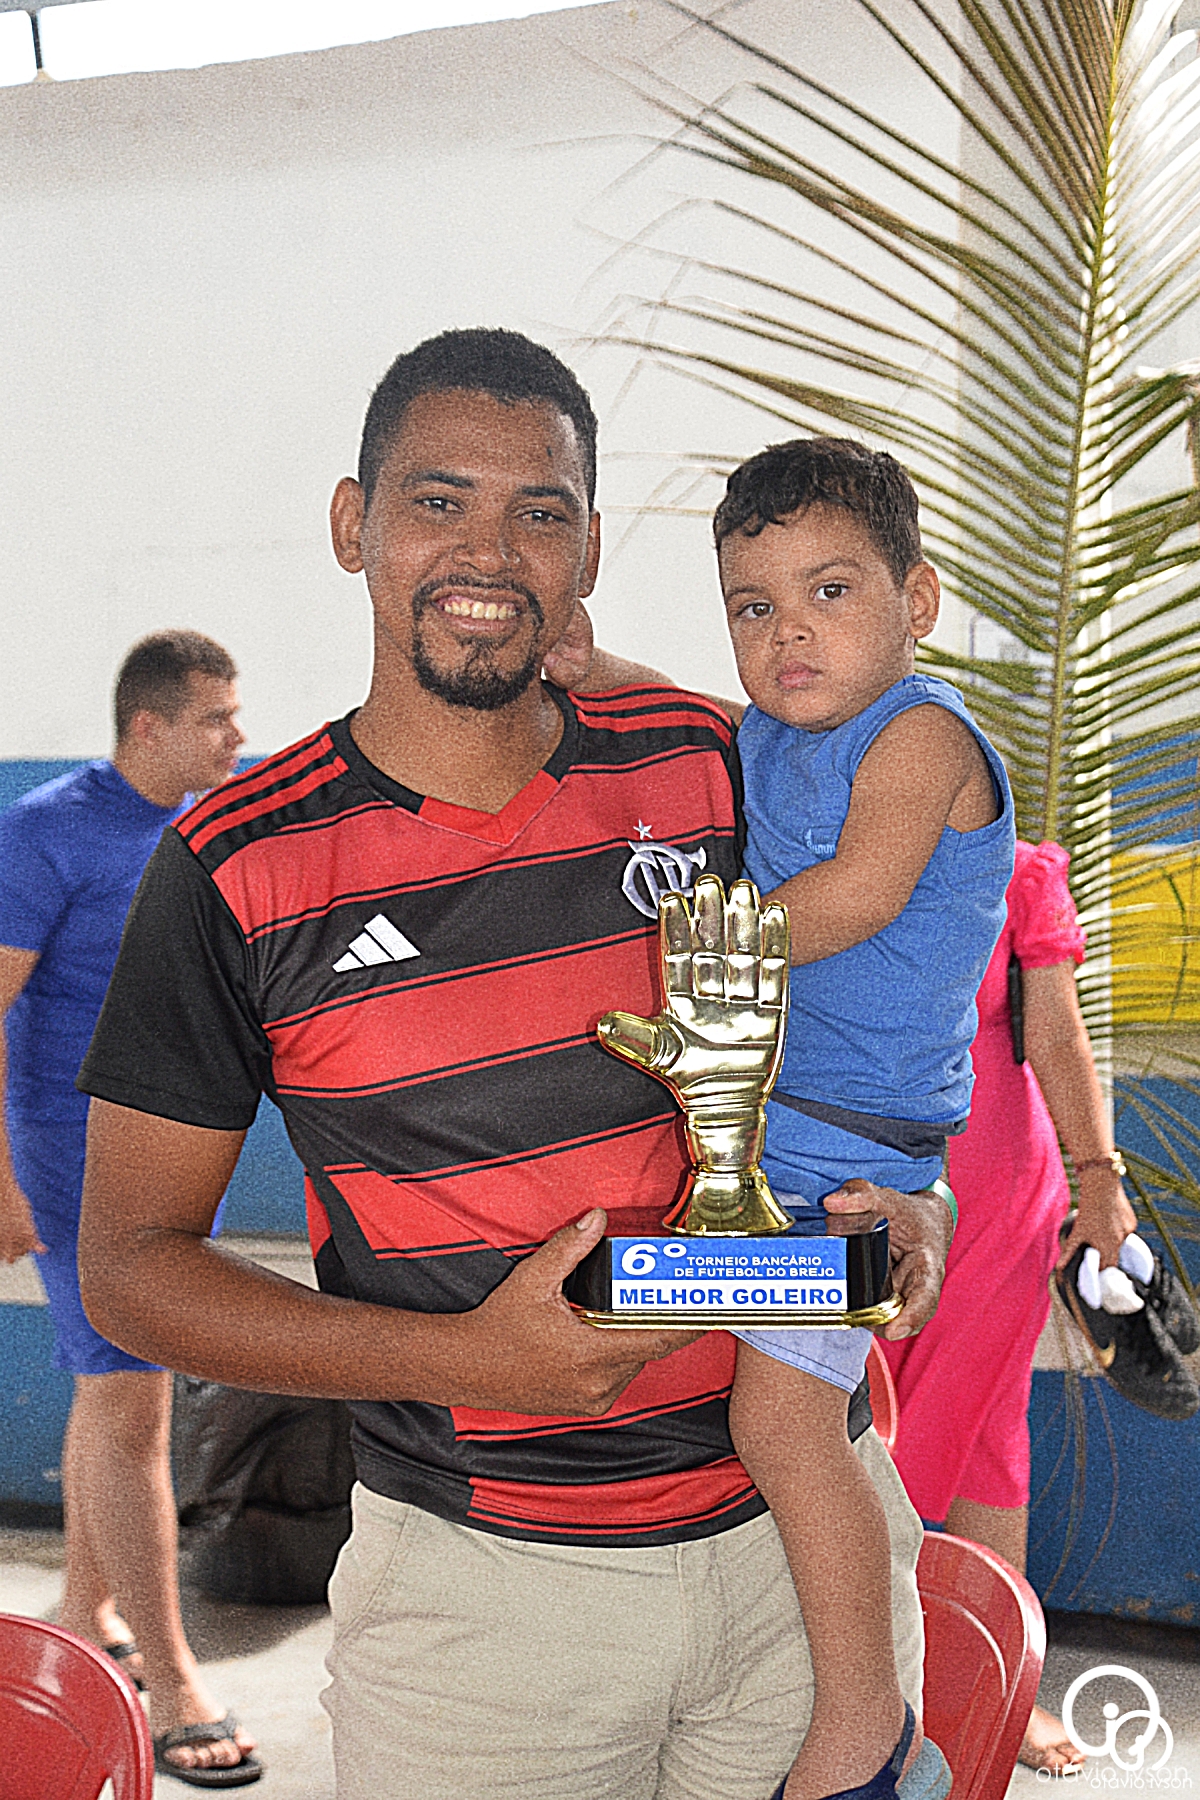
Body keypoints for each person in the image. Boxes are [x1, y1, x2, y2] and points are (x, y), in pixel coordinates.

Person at [76, 328, 956, 1800]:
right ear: (354, 524)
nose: (488, 552)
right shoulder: (234, 866)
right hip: (484, 1616)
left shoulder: (709, 761)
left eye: (538, 512)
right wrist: (467, 1360)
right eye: (439, 502)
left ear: (588, 550)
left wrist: (913, 1203)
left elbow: (890, 994)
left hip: (801, 1562)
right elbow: (129, 1271)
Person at [692, 439, 1012, 1800]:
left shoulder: (922, 734)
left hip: (848, 1156)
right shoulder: (770, 731)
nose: (789, 633)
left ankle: (871, 1732)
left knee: (778, 1424)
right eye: (753, 606)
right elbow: (686, 714)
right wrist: (594, 667)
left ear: (916, 601)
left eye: (829, 592)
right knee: (757, 1391)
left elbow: (861, 893)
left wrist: (697, 957)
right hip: (775, 1135)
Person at [0, 631, 260, 1786]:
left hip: (170, 1148)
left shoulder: (206, 812)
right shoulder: (44, 830)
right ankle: (173, 1680)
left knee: (103, 1389)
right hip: (70, 1156)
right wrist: (2, 1180)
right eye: (215, 719)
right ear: (147, 727)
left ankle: (79, 1612)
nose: (238, 737)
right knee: (130, 1404)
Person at [879, 839, 1196, 1772]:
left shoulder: (1020, 873)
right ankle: (910, 1676)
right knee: (914, 1430)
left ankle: (981, 1683)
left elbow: (1057, 1035)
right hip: (856, 1197)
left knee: (968, 1427)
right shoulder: (813, 857)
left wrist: (1101, 1184)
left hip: (999, 1204)